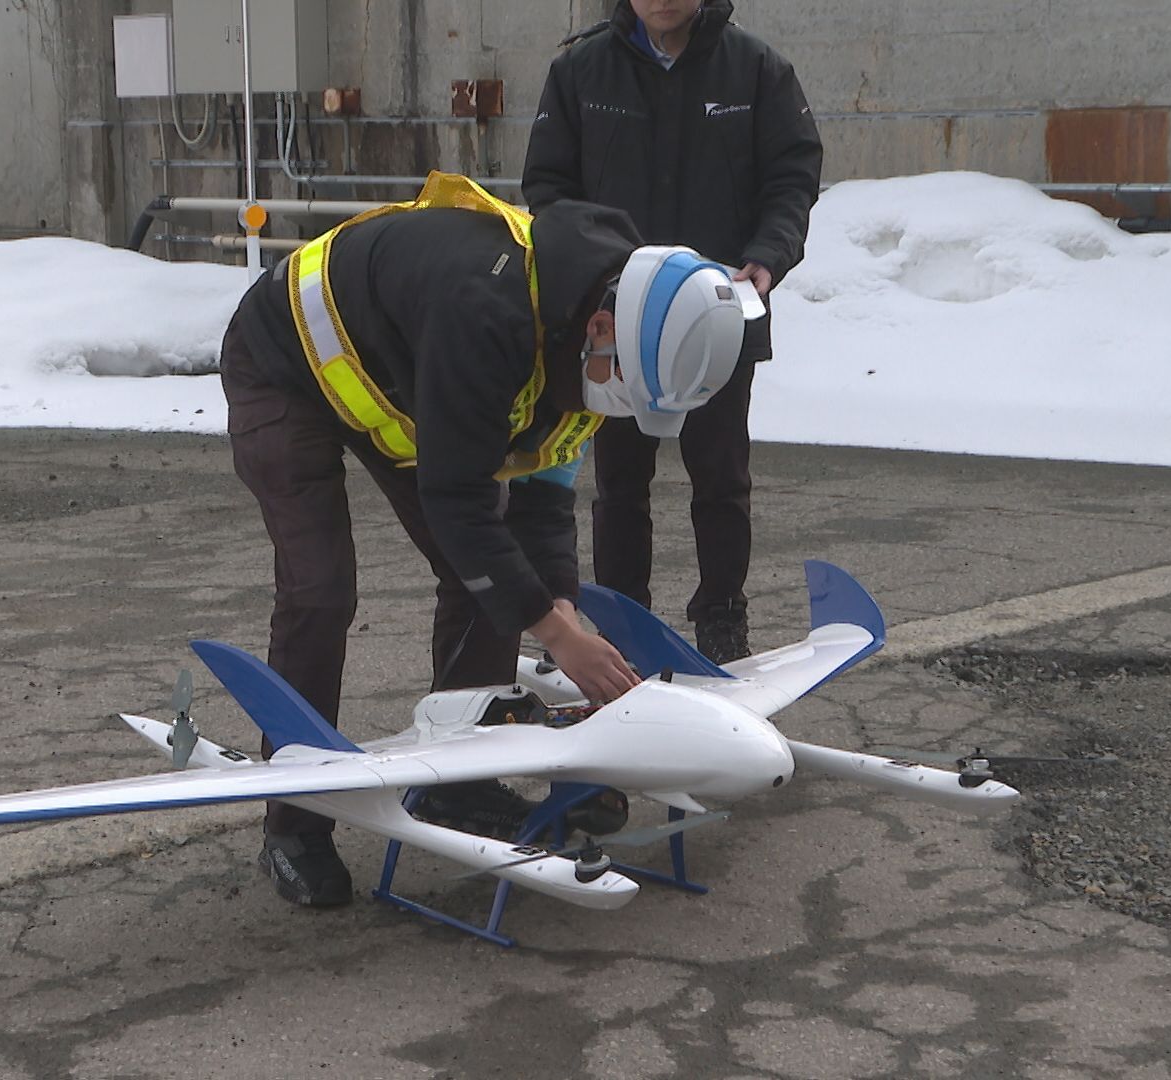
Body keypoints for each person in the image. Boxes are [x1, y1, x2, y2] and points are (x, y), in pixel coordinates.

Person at [220, 172, 751, 907]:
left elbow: (544, 496)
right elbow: (459, 499)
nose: (620, 405)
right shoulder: (489, 313)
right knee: (320, 590)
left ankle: (457, 783)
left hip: (400, 376)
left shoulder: (609, 326)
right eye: (626, 387)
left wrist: (557, 606)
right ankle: (295, 828)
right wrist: (556, 634)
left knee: (488, 581)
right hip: (283, 360)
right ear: (600, 330)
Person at [523, 0, 824, 663]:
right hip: (614, 316)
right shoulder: (580, 71)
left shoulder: (756, 70)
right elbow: (546, 190)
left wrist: (768, 254)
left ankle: (722, 617)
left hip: (716, 313)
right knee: (618, 483)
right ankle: (623, 622)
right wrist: (591, 274)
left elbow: (793, 177)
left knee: (720, 478)